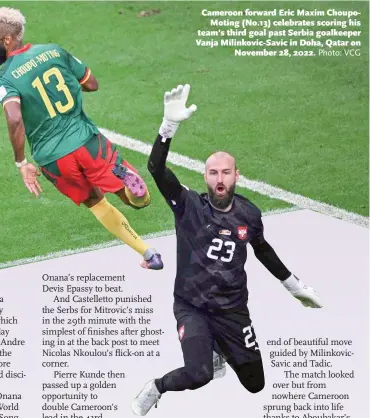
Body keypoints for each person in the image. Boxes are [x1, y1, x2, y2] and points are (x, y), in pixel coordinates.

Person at [131, 84, 324, 415]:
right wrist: (168, 127)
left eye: (226, 172)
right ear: (205, 176)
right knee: (199, 374)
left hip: (232, 309)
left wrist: (293, 285)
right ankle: (157, 386)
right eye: (213, 172)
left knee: (255, 384)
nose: (220, 178)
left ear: (237, 175)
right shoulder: (188, 206)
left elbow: (261, 249)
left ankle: (219, 345)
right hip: (192, 306)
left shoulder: (249, 214)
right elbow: (156, 170)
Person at [0, 6, 162, 269]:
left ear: (7, 40)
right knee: (134, 200)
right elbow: (92, 83)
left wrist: (21, 162)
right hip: (87, 141)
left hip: (53, 159)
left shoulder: (4, 78)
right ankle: (134, 191)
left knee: (94, 201)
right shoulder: (54, 51)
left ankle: (148, 253)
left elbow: (14, 117)